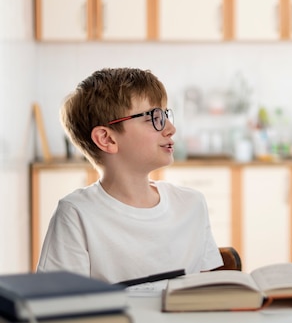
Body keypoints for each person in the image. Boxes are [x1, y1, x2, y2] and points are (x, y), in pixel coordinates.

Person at [37, 68, 223, 283]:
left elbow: (208, 294)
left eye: (165, 115)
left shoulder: (192, 204)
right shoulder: (76, 214)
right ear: (107, 139)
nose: (171, 128)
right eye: (154, 118)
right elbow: (58, 304)